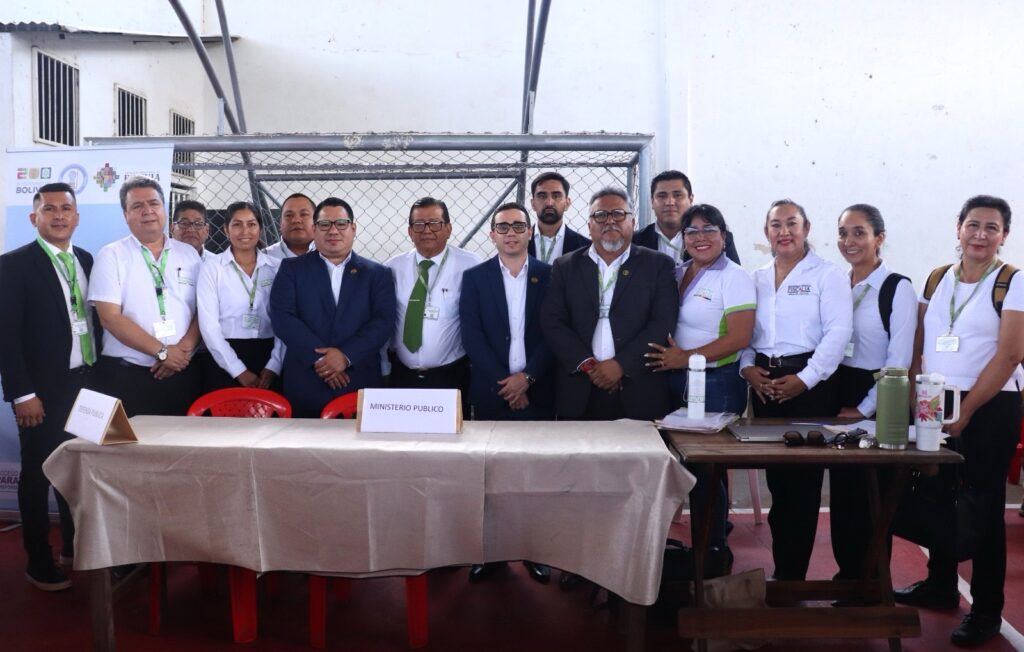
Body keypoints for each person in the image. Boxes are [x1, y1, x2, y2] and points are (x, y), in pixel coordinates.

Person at [894, 195, 1023, 648]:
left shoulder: (1013, 281)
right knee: (936, 492)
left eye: (991, 228)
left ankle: (986, 612)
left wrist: (966, 411)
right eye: (973, 225)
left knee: (983, 506)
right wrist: (919, 394)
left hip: (990, 405)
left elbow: (1010, 355)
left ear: (1004, 235)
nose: (980, 235)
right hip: (935, 398)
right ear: (958, 228)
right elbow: (919, 341)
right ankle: (940, 584)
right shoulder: (937, 278)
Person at [738, 199, 852, 582]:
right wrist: (747, 369)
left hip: (810, 386)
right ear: (766, 232)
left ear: (807, 228)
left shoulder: (828, 275)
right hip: (765, 385)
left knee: (802, 486)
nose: (784, 232)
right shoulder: (755, 278)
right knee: (778, 483)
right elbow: (746, 333)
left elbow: (838, 334)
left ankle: (791, 577)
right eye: (776, 225)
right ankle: (784, 571)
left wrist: (805, 379)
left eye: (792, 223)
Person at [0, 182, 100, 591]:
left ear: (77, 216)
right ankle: (38, 560)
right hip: (40, 392)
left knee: (77, 471)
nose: (59, 216)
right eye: (49, 209)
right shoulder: (14, 265)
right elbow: (6, 335)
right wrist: (22, 394)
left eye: (66, 209)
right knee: (38, 475)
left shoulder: (86, 260)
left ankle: (74, 548)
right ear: (33, 217)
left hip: (86, 385)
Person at [645, 204, 754, 559]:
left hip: (716, 382)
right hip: (678, 381)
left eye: (709, 230)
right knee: (687, 467)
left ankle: (714, 552)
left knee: (706, 470)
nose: (700, 237)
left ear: (724, 236)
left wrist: (686, 357)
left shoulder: (734, 276)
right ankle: (703, 546)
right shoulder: (679, 272)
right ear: (683, 238)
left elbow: (739, 337)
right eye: (692, 231)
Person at [460, 201, 554, 584]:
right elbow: (472, 335)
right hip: (491, 391)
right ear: (492, 234)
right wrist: (507, 382)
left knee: (534, 475)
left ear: (531, 232)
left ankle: (534, 551)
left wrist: (527, 378)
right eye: (503, 227)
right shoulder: (475, 278)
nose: (511, 233)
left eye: (518, 226)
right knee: (490, 477)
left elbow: (554, 332)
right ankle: (490, 552)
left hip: (538, 391)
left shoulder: (550, 275)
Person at [829, 204, 916, 585]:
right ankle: (848, 577)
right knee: (843, 495)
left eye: (859, 232)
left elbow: (898, 362)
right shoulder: (836, 282)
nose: (849, 241)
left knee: (873, 498)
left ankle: (873, 583)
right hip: (838, 391)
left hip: (879, 397)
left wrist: (864, 409)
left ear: (879, 238)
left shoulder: (897, 288)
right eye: (843, 233)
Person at [269, 197, 395, 418]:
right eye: (325, 224)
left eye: (341, 223)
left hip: (358, 379)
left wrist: (345, 356)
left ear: (353, 229)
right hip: (307, 380)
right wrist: (322, 361)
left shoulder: (377, 274)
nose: (333, 231)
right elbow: (283, 318)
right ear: (314, 229)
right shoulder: (291, 269)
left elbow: (383, 322)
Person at [89, 177, 203, 417]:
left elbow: (202, 310)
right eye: (137, 206)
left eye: (153, 203)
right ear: (125, 214)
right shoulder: (111, 255)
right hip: (129, 376)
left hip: (183, 371)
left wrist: (182, 352)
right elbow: (110, 318)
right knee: (133, 441)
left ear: (164, 208)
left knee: (183, 439)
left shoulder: (189, 255)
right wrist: (163, 352)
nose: (147, 211)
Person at [385, 197, 481, 413]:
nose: (427, 230)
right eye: (419, 224)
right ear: (410, 231)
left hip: (451, 375)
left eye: (435, 223)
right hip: (403, 375)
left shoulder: (471, 265)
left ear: (448, 229)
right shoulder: (392, 268)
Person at [197, 201, 284, 393]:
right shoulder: (212, 268)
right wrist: (238, 370)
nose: (245, 231)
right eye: (237, 224)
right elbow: (209, 327)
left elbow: (285, 321)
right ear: (226, 230)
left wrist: (274, 365)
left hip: (269, 357)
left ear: (260, 229)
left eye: (251, 224)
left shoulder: (277, 268)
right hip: (224, 357)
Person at [633, 170, 740, 266]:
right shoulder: (634, 241)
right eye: (662, 196)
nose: (670, 202)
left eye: (677, 195)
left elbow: (734, 277)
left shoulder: (717, 239)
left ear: (691, 199)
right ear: (652, 202)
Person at [527, 171, 590, 263]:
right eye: (542, 196)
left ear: (567, 203)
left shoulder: (586, 247)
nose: (549, 203)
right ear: (533, 204)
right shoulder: (517, 243)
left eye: (556, 196)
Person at [265, 192, 316, 260]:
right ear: (280, 223)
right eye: (289, 215)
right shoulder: (264, 257)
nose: (296, 220)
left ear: (316, 221)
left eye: (304, 214)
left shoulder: (328, 255)